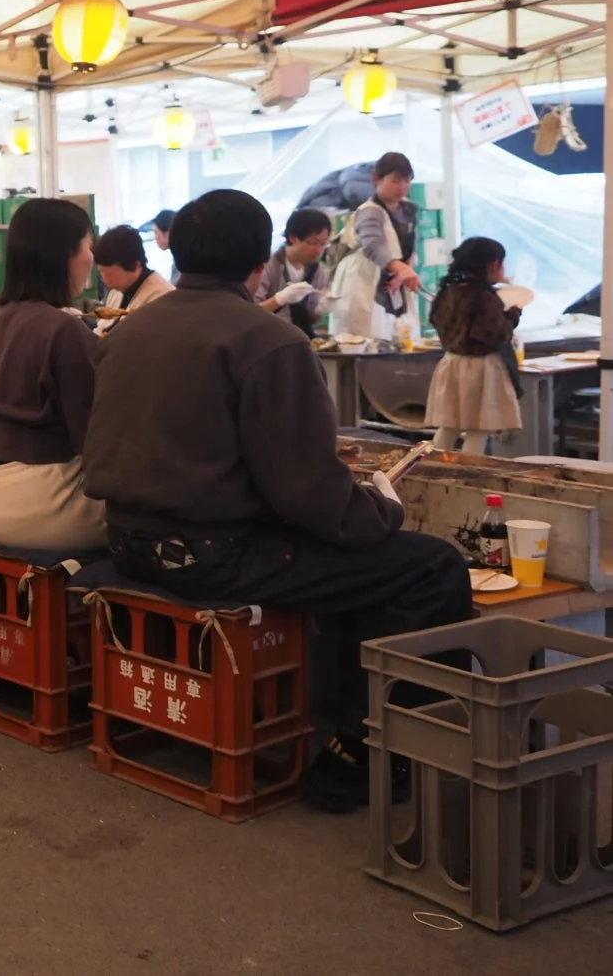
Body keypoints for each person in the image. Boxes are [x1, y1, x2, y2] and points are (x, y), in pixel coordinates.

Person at [83, 189, 472, 813]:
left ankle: (346, 726)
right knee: (428, 566)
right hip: (214, 555)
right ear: (259, 264)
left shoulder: (129, 329)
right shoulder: (266, 340)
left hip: (128, 541)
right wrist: (382, 510)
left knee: (354, 556)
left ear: (175, 250)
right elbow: (308, 490)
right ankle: (375, 752)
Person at [0, 199, 107, 551]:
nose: (92, 258)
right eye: (88, 246)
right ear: (64, 255)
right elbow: (93, 442)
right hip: (38, 511)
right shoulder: (65, 330)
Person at [426, 236, 522, 454]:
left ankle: (430, 469)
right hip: (481, 368)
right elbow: (496, 335)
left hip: (452, 363)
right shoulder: (485, 297)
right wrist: (513, 315)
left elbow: (436, 320)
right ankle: (468, 476)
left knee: (448, 426)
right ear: (493, 264)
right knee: (478, 429)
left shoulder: (448, 291)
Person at [331, 151, 420, 339]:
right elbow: (373, 246)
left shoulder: (409, 209)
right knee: (366, 337)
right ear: (376, 179)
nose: (402, 187)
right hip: (363, 278)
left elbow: (411, 246)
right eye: (395, 181)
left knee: (400, 335)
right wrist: (399, 268)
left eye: (407, 180)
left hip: (392, 282)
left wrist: (403, 272)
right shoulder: (370, 211)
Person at [256, 207, 334, 337]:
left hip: (301, 338)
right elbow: (251, 312)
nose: (319, 250)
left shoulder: (317, 271)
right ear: (293, 237)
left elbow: (310, 320)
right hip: (269, 337)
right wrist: (279, 299)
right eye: (313, 242)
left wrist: (321, 310)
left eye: (323, 244)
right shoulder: (268, 264)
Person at [90, 224, 172, 336]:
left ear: (135, 265)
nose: (104, 279)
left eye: (110, 273)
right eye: (101, 273)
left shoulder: (161, 295)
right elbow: (101, 327)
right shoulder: (117, 291)